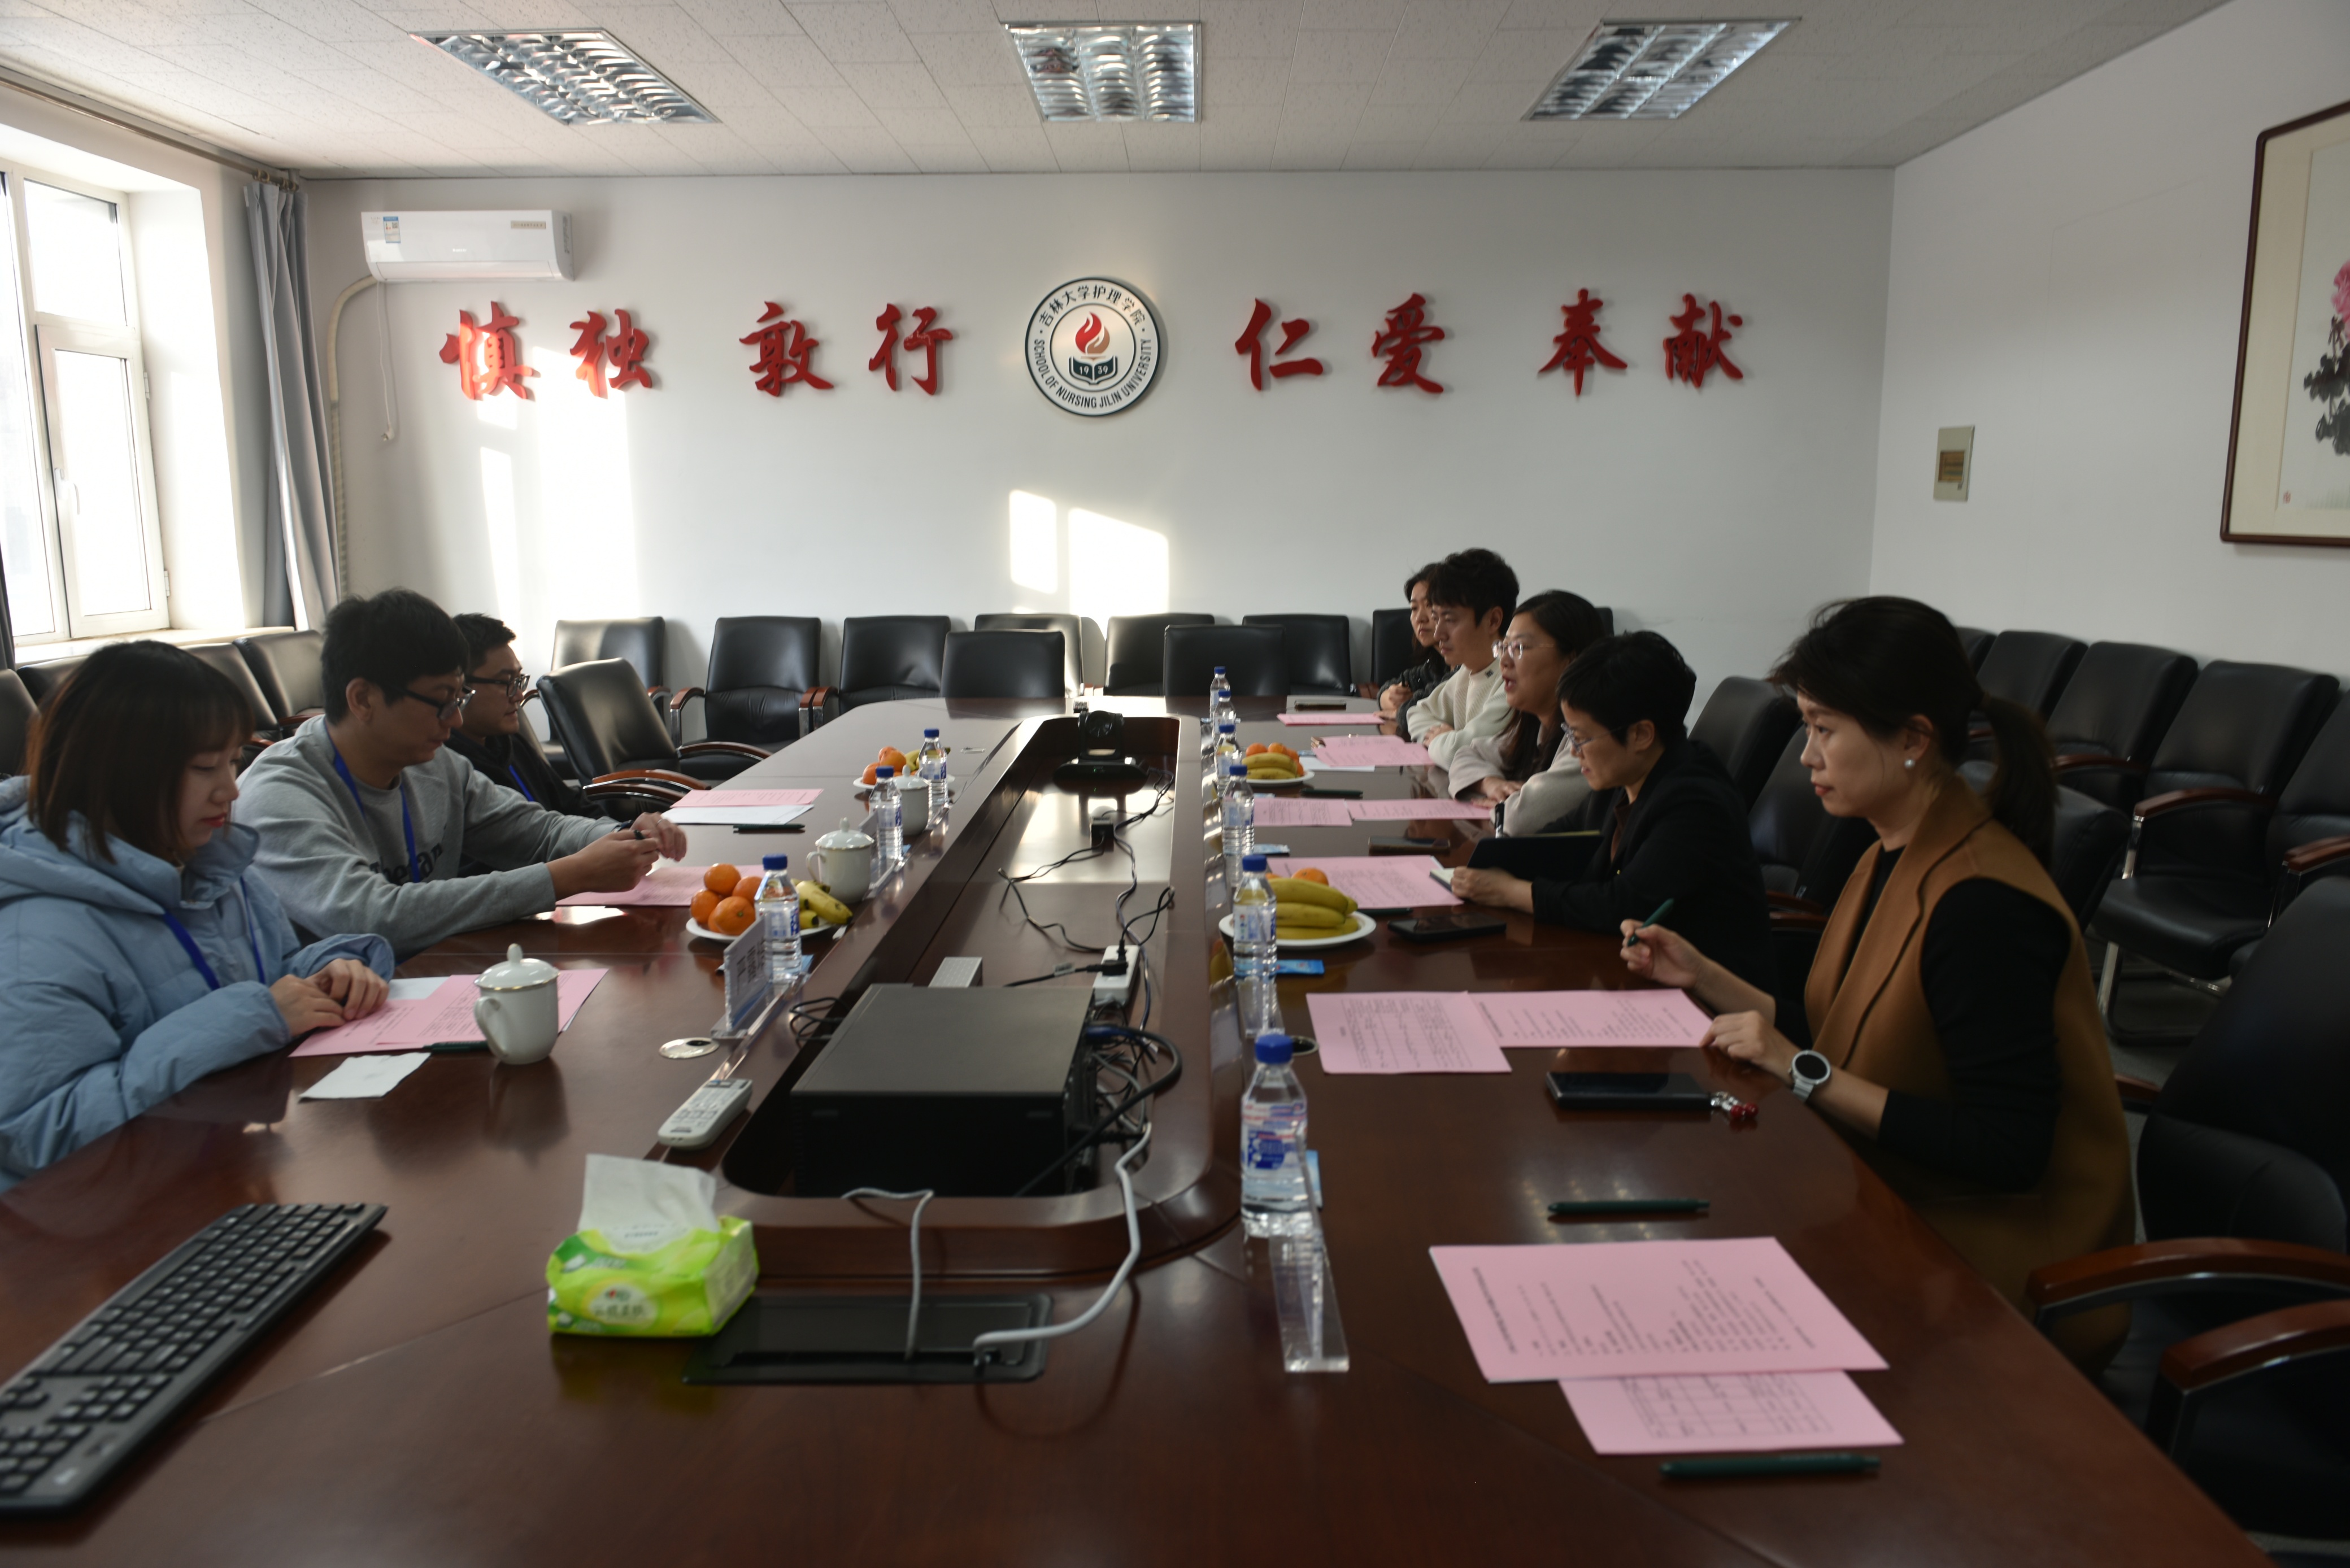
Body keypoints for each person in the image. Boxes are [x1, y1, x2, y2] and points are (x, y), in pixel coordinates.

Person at [1621, 598, 2133, 1361]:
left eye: (1824, 728)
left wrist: (1802, 1071)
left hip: (1990, 1261)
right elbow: (1846, 1026)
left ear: (1913, 739)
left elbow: (2007, 1149)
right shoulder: (1890, 848)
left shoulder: (1981, 903)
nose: (1806, 755)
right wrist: (1704, 975)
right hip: (1887, 1196)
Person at [0, 643, 394, 1188]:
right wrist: (247, 1019)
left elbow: (275, 973)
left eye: (233, 761)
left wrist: (331, 969)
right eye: (206, 767)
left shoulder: (209, 863)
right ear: (120, 772)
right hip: (110, 1218)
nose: (230, 789)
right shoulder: (36, 935)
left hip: (220, 1164)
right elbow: (43, 1134)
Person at [240, 589, 687, 959]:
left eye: (460, 698)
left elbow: (536, 831)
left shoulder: (434, 766)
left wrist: (624, 836)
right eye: (442, 701)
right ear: (363, 699)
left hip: (433, 976)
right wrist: (565, 877)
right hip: (333, 1016)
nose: (455, 721)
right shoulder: (279, 795)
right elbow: (370, 917)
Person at [1450, 631, 1775, 994]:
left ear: (1641, 735)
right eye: (1570, 735)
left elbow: (1624, 906)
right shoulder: (1624, 778)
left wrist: (1509, 891)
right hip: (1632, 972)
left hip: (1709, 1002)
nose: (1574, 752)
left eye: (1581, 738)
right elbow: (1563, 838)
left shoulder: (1696, 802)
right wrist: (1489, 863)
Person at [1445, 589, 1608, 834]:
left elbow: (1518, 819)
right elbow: (1466, 755)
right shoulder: (1535, 726)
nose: (1504, 661)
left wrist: (1504, 806)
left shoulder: (1590, 738)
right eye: (1503, 647)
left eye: (1519, 648)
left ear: (1571, 660)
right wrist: (1490, 783)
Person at [446, 613, 594, 819]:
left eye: (519, 680)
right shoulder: (450, 770)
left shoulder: (510, 745)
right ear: (461, 688)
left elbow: (571, 804)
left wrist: (624, 829)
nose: (519, 696)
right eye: (507, 682)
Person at [1403, 548, 1517, 771]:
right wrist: (1450, 739)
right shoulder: (1467, 672)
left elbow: (1458, 753)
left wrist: (1446, 741)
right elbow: (1415, 713)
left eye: (1450, 620)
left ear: (1493, 620)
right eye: (1436, 619)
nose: (1438, 634)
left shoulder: (1513, 679)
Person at [1376, 563, 1449, 730]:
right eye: (1414, 608)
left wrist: (1401, 711)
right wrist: (1390, 696)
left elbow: (1430, 706)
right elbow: (1389, 688)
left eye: (1430, 605)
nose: (1420, 618)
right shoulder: (1436, 664)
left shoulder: (1464, 667)